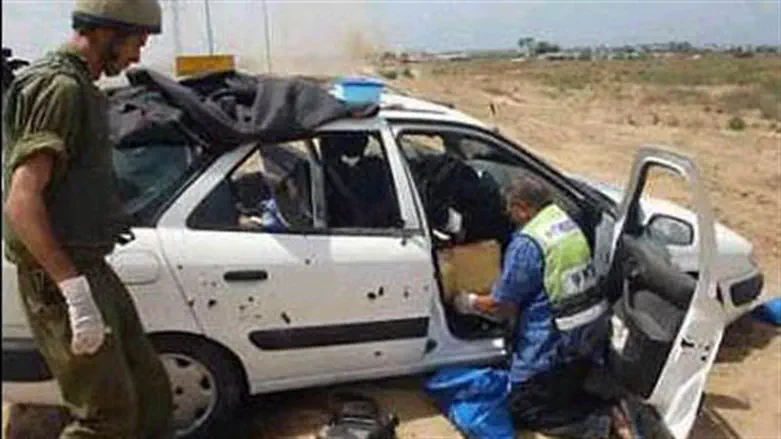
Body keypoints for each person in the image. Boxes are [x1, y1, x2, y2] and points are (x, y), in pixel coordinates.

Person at [2, 1, 174, 438]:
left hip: (89, 265)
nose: (137, 55)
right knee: (105, 416)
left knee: (149, 391)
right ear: (104, 33)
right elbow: (22, 201)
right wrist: (75, 293)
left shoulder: (81, 86)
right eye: (136, 42)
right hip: (61, 276)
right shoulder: (60, 88)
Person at [453, 175, 632, 439]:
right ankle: (597, 401)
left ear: (524, 208)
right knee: (559, 387)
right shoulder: (564, 222)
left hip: (553, 340)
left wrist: (467, 302)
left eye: (510, 207)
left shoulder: (527, 244)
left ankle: (601, 420)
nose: (506, 213)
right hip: (588, 335)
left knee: (522, 409)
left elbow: (501, 305)